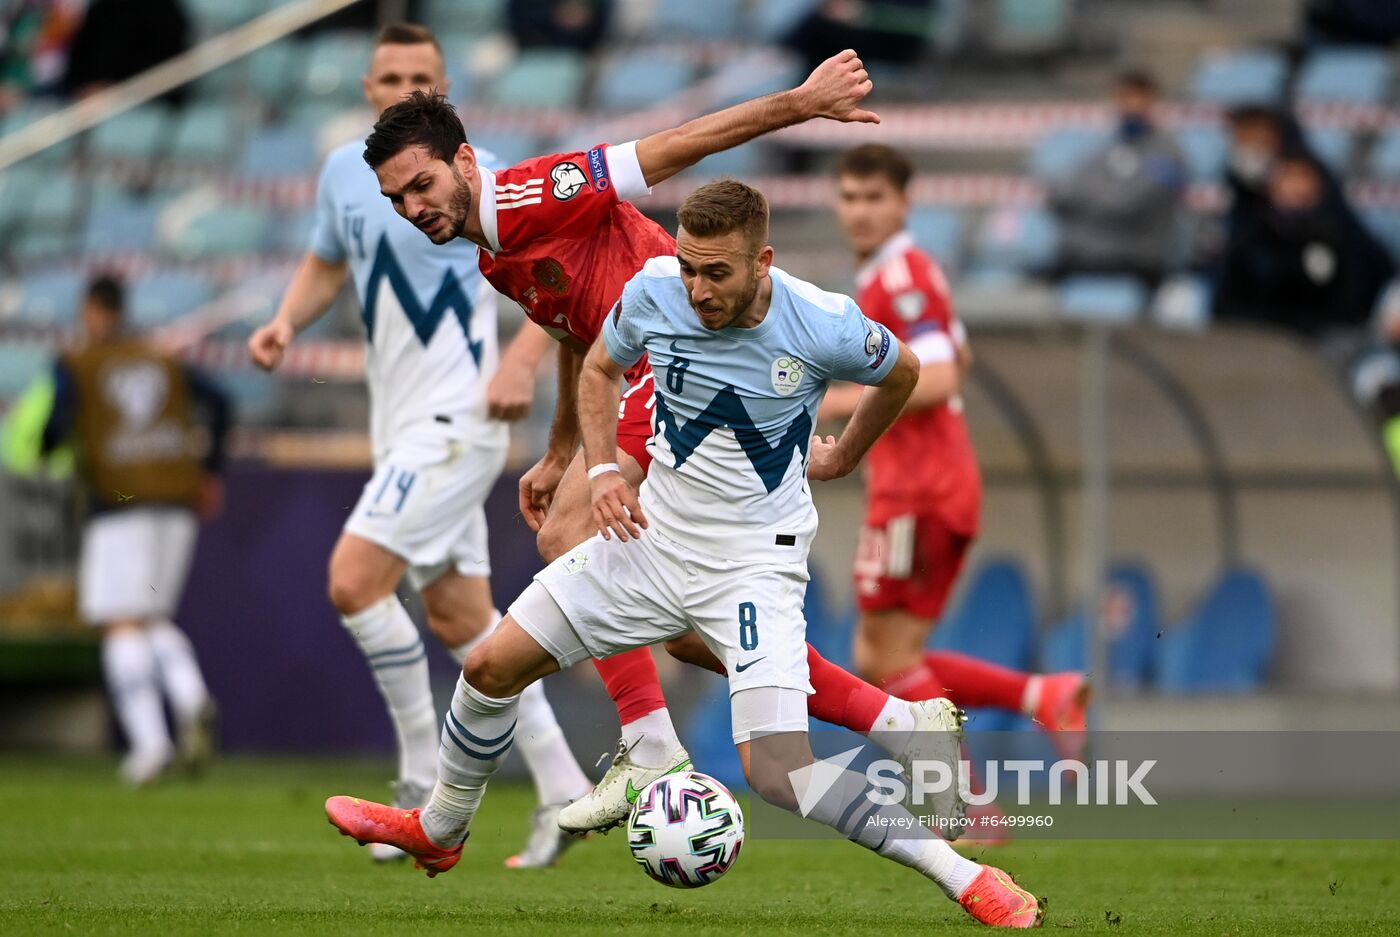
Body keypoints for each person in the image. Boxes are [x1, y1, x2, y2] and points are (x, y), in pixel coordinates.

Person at [325, 180, 1044, 928]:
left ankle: (967, 876)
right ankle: (440, 829)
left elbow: (903, 371)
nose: (698, 290)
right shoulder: (655, 289)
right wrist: (600, 472)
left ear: (762, 261)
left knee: (780, 773)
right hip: (651, 545)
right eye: (690, 267)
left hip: (753, 567)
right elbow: (599, 368)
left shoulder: (821, 320)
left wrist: (844, 455)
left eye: (717, 273)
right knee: (488, 667)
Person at [361, 55, 967, 837]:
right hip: (637, 370)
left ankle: (648, 746)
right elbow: (579, 335)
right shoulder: (491, 250)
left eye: (422, 184)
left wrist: (800, 103)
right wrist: (561, 449)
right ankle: (901, 722)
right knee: (685, 631)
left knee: (568, 533)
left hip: (679, 362)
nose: (413, 207)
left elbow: (673, 145)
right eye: (397, 198)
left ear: (466, 162)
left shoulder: (534, 192)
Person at [247, 23, 588, 869]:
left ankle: (414, 783)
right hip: (399, 425)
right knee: (464, 622)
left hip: (458, 418)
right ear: (368, 90)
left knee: (354, 580)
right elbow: (327, 261)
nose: (403, 87)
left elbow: (561, 274)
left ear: (443, 93)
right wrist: (286, 320)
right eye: (389, 76)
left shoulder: (479, 176)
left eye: (419, 78)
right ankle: (564, 793)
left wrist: (520, 359)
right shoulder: (345, 175)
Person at [825, 142, 1088, 732]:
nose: (860, 211)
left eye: (874, 198)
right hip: (928, 483)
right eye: (849, 198)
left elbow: (942, 376)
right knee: (882, 657)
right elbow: (960, 357)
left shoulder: (902, 278)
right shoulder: (904, 274)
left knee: (887, 661)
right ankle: (1042, 696)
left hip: (918, 488)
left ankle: (964, 785)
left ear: (904, 203)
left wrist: (835, 401)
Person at [40, 274, 228, 785]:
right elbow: (221, 402)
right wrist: (210, 470)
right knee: (149, 616)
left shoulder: (78, 362)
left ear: (90, 309)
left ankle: (150, 746)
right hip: (178, 500)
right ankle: (190, 698)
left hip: (119, 501)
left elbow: (56, 424)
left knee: (121, 621)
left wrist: (49, 449)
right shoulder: (162, 357)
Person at [1213, 152, 1395, 340]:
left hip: (1317, 342)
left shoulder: (1338, 238)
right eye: (1288, 177)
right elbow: (1227, 303)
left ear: (1319, 188)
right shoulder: (1250, 239)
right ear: (1271, 187)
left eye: (1303, 178)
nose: (1296, 187)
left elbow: (1350, 305)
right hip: (1258, 339)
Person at [1046, 69, 1185, 288]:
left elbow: (1130, 205)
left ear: (1152, 100)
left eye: (1138, 97)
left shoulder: (1168, 153)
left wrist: (1091, 200)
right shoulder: (1104, 146)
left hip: (1138, 256)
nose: (1131, 105)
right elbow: (1066, 193)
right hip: (1086, 253)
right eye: (1124, 98)